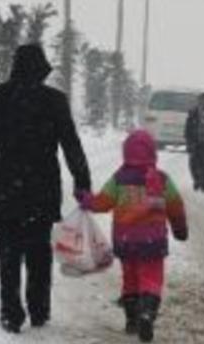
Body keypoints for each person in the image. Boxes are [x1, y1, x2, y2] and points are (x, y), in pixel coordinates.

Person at [0, 44, 91, 334]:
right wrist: (81, 180)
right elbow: (71, 144)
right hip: (41, 190)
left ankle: (11, 312)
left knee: (9, 255)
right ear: (41, 68)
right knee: (39, 253)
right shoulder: (54, 100)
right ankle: (38, 309)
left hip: (4, 189)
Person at [79, 130, 188, 342]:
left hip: (126, 240)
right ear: (152, 152)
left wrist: (87, 200)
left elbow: (103, 202)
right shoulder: (162, 179)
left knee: (130, 279)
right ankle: (147, 312)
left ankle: (131, 320)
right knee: (151, 279)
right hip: (153, 242)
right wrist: (179, 228)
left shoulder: (119, 179)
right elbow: (176, 206)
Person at [185, 93, 204, 192]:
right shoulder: (193, 112)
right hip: (195, 141)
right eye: (201, 100)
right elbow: (188, 128)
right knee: (193, 163)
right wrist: (188, 141)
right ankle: (197, 179)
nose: (203, 102)